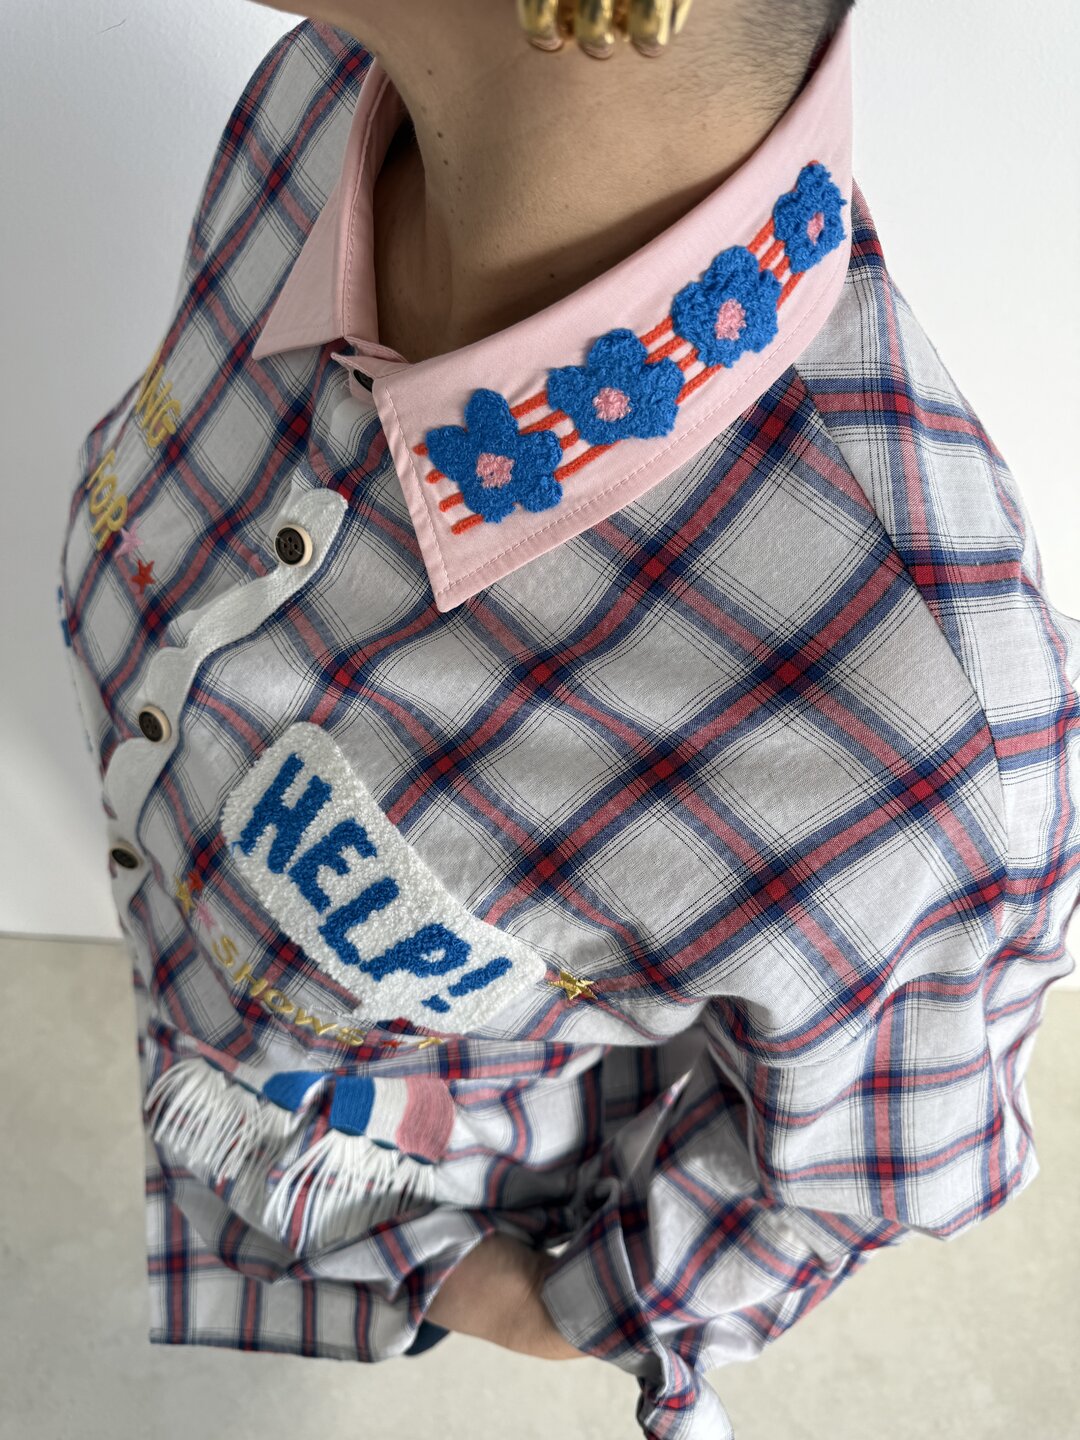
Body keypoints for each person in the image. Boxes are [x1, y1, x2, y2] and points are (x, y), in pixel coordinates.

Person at [57, 3, 1080, 1437]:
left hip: (380, 1170)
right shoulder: (327, 92)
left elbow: (869, 1170)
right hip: (179, 991)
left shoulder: (912, 740)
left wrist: (551, 1303)